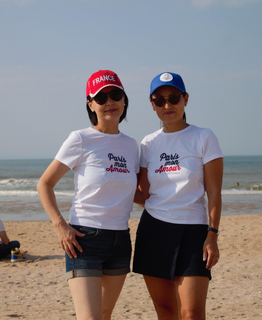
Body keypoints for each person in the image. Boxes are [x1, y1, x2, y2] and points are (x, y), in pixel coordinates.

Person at [37, 70, 139, 320]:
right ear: (90, 104)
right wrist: (60, 226)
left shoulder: (132, 145)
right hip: (84, 240)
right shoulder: (80, 139)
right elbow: (45, 184)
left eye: (115, 95)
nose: (109, 102)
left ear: (124, 99)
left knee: (105, 314)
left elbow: (134, 192)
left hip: (121, 240)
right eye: (101, 97)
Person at [133, 72, 223, 319]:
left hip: (194, 232)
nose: (167, 105)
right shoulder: (148, 144)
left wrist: (212, 235)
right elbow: (143, 194)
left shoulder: (204, 137)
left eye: (173, 98)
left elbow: (214, 191)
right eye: (159, 100)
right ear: (152, 105)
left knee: (192, 312)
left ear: (185, 99)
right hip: (154, 230)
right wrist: (111, 182)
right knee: (166, 310)